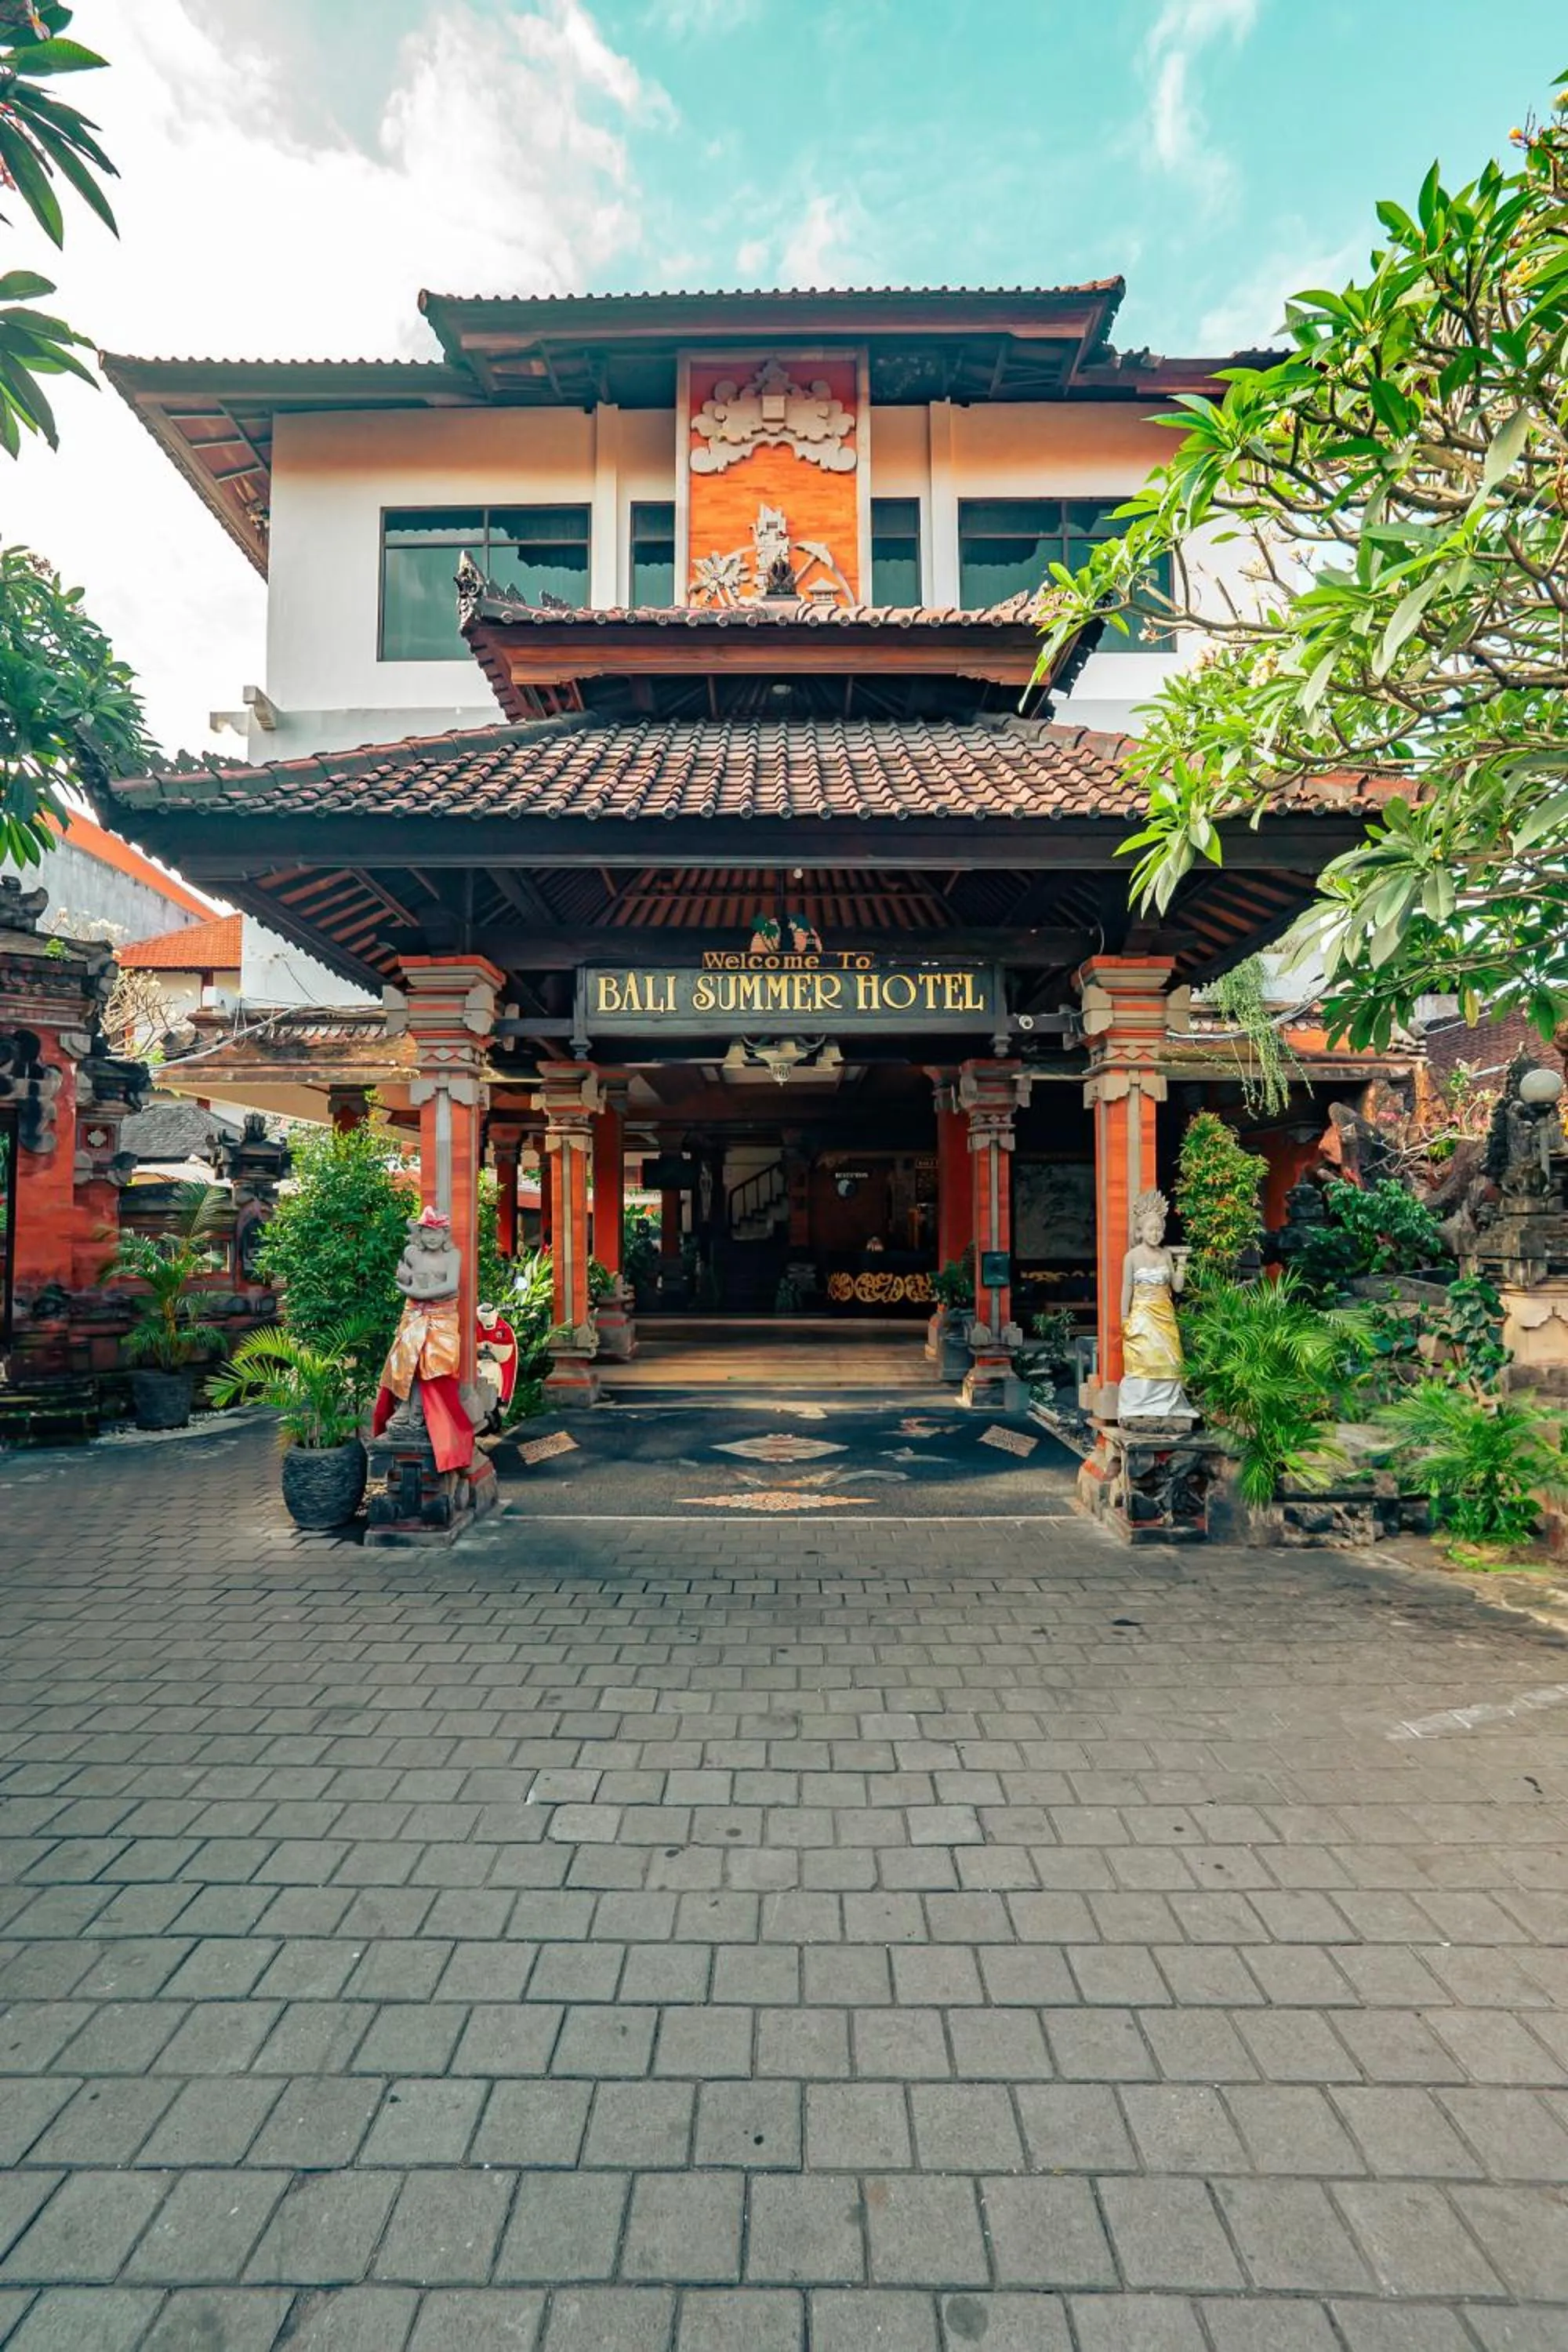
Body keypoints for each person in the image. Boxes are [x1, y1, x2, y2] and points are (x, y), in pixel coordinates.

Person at [1118, 1187, 1193, 1422]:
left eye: (1159, 1230)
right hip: (1141, 1313)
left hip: (1164, 1313)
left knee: (1170, 1357)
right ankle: (1137, 1404)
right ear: (1140, 1231)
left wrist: (1182, 1263)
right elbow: (1127, 1288)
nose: (1156, 1234)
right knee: (1142, 1358)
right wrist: (1124, 1317)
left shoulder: (1165, 1256)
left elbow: (1177, 1288)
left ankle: (1166, 1404)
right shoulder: (1131, 1257)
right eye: (1151, 1229)